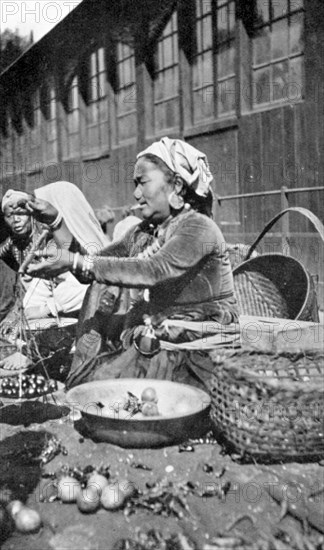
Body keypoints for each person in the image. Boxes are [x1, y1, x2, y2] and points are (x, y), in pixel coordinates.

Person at [27, 137, 239, 390]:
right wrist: (56, 223)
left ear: (178, 185)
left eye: (143, 182)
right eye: (134, 184)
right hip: (161, 337)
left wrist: (76, 261)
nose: (136, 194)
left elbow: (154, 271)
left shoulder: (198, 227)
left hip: (200, 343)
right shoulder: (143, 233)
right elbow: (94, 268)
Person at [0, 182, 109, 370]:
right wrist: (25, 311)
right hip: (64, 327)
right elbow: (41, 285)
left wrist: (47, 308)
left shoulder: (90, 250)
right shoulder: (49, 243)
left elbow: (90, 288)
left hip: (95, 335)